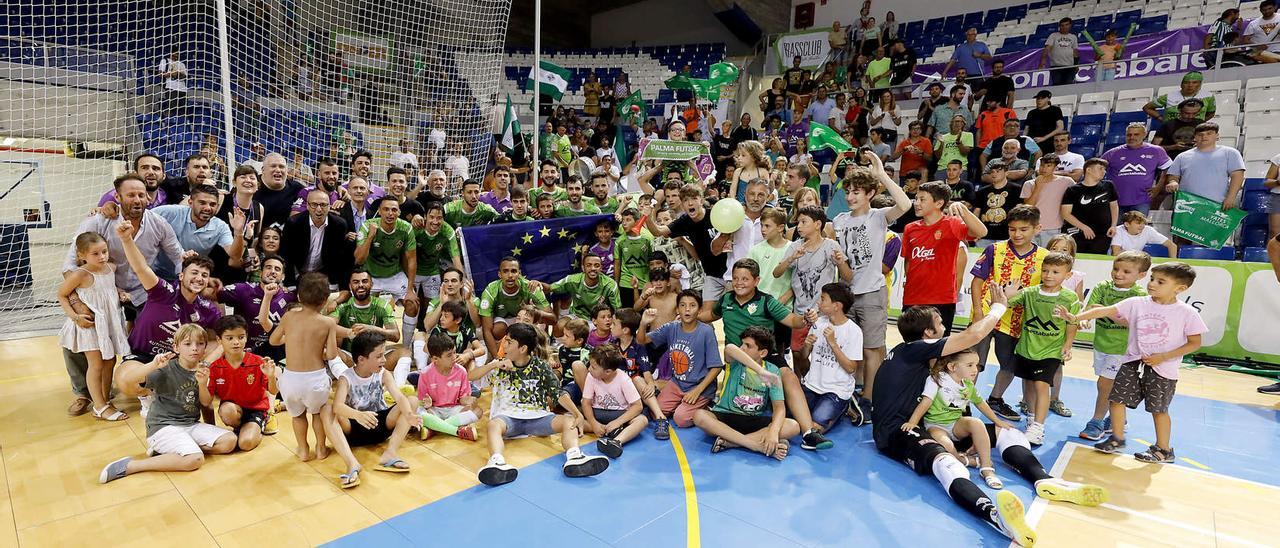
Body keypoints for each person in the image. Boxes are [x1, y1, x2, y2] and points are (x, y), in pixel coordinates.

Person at [872, 301, 1108, 547]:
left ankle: (1044, 479)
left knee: (1007, 431)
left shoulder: (917, 357)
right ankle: (995, 516)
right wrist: (999, 306)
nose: (945, 328)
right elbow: (973, 335)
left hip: (935, 424)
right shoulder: (913, 350)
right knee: (943, 461)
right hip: (897, 432)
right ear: (928, 334)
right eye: (940, 324)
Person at [1057, 262, 1207, 463]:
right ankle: (1117, 438)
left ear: (1180, 288)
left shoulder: (1187, 313)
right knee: (1116, 399)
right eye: (1152, 279)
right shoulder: (1137, 302)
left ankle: (1164, 449)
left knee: (1158, 409)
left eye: (1160, 282)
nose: (1152, 284)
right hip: (1132, 362)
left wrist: (1163, 357)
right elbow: (1104, 311)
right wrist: (1075, 316)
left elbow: (1194, 343)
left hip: (1162, 369)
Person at [99, 325, 237, 484]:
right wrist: (152, 365)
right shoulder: (166, 368)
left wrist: (202, 385)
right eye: (187, 344)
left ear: (205, 347)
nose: (194, 349)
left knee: (229, 441)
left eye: (200, 344)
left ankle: (170, 453)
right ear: (176, 347)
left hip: (189, 424)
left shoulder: (205, 370)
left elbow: (206, 403)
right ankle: (131, 465)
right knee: (195, 460)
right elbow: (129, 380)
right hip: (163, 426)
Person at [475, 322, 610, 486]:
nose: (504, 344)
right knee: (493, 425)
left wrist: (577, 413)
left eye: (509, 342)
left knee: (568, 421)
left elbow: (557, 393)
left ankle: (575, 456)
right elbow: (471, 376)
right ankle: (497, 461)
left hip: (538, 419)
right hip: (509, 420)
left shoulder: (540, 367)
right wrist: (494, 364)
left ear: (523, 348)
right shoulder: (500, 366)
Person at [111, 219, 222, 414]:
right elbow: (141, 268)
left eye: (204, 275)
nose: (199, 278)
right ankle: (148, 396)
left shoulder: (207, 308)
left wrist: (206, 363)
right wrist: (126, 239)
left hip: (178, 360)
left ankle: (177, 387)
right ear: (181, 276)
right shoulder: (163, 291)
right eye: (194, 272)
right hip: (143, 356)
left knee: (217, 344)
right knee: (125, 381)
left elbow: (225, 338)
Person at [827, 153, 912, 409]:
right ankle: (848, 390)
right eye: (848, 191)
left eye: (857, 192)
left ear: (870, 194)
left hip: (872, 293)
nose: (851, 197)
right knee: (848, 346)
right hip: (846, 294)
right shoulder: (839, 221)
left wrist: (881, 175)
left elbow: (905, 204)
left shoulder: (878, 217)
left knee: (872, 349)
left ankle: (869, 398)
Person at [271, 272, 362, 485]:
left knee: (297, 416)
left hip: (290, 379)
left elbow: (275, 341)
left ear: (299, 298)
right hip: (314, 379)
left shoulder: (289, 317)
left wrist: (292, 338)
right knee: (318, 414)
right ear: (325, 300)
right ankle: (321, 448)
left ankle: (303, 449)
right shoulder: (327, 323)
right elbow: (331, 355)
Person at [970, 205, 1047, 421]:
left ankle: (995, 399)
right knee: (972, 363)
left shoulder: (1044, 258)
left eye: (1023, 229)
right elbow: (977, 282)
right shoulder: (994, 250)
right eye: (1012, 229)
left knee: (1010, 366)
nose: (1017, 234)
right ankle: (962, 403)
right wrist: (977, 312)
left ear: (1037, 229)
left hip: (1015, 322)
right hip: (985, 316)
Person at [901, 348, 1013, 488]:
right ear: (952, 367)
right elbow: (926, 402)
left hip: (955, 424)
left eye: (976, 365)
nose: (975, 369)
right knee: (946, 443)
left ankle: (986, 468)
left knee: (977, 423)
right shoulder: (937, 379)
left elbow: (980, 403)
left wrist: (997, 421)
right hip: (935, 425)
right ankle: (962, 461)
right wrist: (912, 422)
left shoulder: (968, 384)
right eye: (970, 365)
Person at [1004, 252, 1080, 445]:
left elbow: (1073, 323)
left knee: (1041, 385)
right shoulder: (1030, 292)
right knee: (1029, 384)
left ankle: (1038, 427)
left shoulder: (1069, 297)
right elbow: (1007, 303)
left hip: (1050, 352)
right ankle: (1031, 417)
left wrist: (1068, 344)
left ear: (1068, 275)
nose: (1049, 275)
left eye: (1055, 272)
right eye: (1045, 270)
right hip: (1026, 348)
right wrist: (1007, 295)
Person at [693, 327, 801, 459]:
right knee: (699, 416)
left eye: (748, 346)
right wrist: (760, 371)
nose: (742, 348)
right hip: (726, 415)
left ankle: (732, 443)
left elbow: (779, 408)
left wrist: (773, 432)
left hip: (752, 419)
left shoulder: (772, 370)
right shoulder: (735, 362)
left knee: (793, 426)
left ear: (762, 353)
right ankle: (756, 445)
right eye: (742, 343)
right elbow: (730, 348)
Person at [1077, 251, 1150, 440]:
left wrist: (1106, 313)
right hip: (1102, 344)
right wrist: (1085, 320)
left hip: (1123, 349)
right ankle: (1119, 418)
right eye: (1116, 269)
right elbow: (1091, 309)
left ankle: (1096, 422)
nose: (1118, 274)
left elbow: (1133, 321)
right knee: (1110, 384)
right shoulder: (1102, 287)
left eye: (1126, 271)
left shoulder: (1139, 295)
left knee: (1104, 384)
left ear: (1141, 276)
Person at [59, 232, 130, 421]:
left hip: (109, 323)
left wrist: (120, 292)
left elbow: (106, 291)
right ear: (82, 256)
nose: (102, 257)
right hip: (89, 325)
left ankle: (105, 400)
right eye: (95, 254)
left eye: (104, 251)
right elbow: (62, 294)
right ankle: (98, 406)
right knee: (96, 363)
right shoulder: (80, 274)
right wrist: (75, 317)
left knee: (110, 361)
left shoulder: (111, 269)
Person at [902, 181, 988, 335]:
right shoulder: (910, 228)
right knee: (912, 346)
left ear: (939, 203)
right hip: (912, 298)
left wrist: (963, 210)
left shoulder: (953, 224)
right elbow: (908, 261)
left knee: (938, 347)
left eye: (922, 199)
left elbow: (981, 232)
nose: (916, 203)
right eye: (916, 199)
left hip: (942, 299)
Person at [333, 331, 419, 474]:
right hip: (355, 426)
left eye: (384, 355)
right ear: (361, 359)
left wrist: (409, 414)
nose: (384, 360)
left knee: (412, 400)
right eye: (379, 356)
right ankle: (351, 461)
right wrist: (358, 415)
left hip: (381, 424)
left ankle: (390, 453)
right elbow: (337, 406)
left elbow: (399, 397)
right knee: (328, 410)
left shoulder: (383, 373)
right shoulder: (346, 378)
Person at [638, 290, 723, 430]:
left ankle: (705, 408)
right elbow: (642, 340)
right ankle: (683, 404)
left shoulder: (706, 331)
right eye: (683, 305)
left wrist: (697, 391)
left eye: (692, 305)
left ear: (700, 309)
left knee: (681, 419)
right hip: (677, 383)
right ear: (677, 309)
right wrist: (643, 323)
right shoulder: (671, 327)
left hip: (699, 385)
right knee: (656, 410)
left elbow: (716, 367)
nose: (687, 309)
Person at [644, 184, 728, 316]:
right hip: (711, 274)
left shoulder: (715, 215)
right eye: (685, 200)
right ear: (682, 204)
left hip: (729, 272)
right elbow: (658, 231)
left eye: (693, 198)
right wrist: (648, 217)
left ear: (701, 199)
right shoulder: (684, 221)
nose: (689, 203)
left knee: (733, 312)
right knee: (705, 315)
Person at [800, 283, 864, 436]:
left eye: (823, 299)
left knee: (814, 428)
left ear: (836, 306)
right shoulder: (819, 323)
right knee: (793, 416)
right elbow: (803, 357)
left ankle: (844, 406)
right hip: (812, 385)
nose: (818, 303)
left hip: (835, 390)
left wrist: (833, 344)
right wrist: (807, 346)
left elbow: (851, 368)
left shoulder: (853, 331)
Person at [206, 315, 277, 451]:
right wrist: (202, 383)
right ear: (219, 340)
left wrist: (271, 376)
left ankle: (261, 422)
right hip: (233, 409)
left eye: (241, 337)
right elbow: (206, 401)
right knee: (227, 410)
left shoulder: (258, 362)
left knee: (245, 444)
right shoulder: (215, 367)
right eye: (230, 338)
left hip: (256, 410)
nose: (236, 342)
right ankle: (240, 428)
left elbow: (273, 391)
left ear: (246, 337)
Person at [356, 197, 419, 346]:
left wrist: (410, 289)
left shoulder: (406, 228)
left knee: (412, 303)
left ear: (399, 212)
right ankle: (368, 348)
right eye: (386, 209)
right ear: (379, 212)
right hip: (370, 276)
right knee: (365, 309)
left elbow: (411, 260)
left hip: (394, 275)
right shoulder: (367, 226)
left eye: (394, 210)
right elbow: (359, 259)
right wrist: (371, 236)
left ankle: (406, 347)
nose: (390, 213)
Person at [152, 185, 247, 277]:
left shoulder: (221, 227)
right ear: (190, 202)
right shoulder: (171, 212)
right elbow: (144, 218)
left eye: (212, 204)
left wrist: (238, 232)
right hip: (154, 273)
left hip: (186, 278)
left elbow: (234, 256)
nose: (208, 208)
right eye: (202, 203)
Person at [1159, 122, 1246, 213]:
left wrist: (1231, 198)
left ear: (1217, 136)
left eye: (1209, 133)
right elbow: (1173, 175)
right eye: (1200, 135)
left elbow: (1237, 176)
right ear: (1195, 137)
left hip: (1217, 204)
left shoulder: (1230, 153)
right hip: (1187, 206)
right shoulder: (1182, 156)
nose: (1204, 137)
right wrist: (1173, 182)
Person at [581, 344, 650, 459]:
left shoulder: (623, 379)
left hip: (619, 414)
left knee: (642, 420)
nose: (589, 369)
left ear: (607, 371)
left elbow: (637, 406)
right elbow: (586, 402)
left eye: (593, 367)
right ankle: (610, 431)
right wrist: (593, 423)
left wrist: (617, 422)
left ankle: (617, 441)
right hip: (598, 412)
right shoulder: (591, 376)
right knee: (572, 419)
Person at [478, 257, 554, 356]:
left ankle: (540, 354)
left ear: (519, 273)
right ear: (499, 274)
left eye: (514, 271)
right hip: (502, 321)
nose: (510, 275)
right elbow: (486, 330)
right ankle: (501, 354)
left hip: (522, 319)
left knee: (539, 323)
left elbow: (553, 319)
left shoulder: (530, 287)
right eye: (505, 271)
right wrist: (497, 358)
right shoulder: (490, 291)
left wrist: (538, 313)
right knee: (497, 329)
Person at [415, 331, 482, 441]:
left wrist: (468, 400)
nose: (454, 357)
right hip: (434, 410)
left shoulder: (461, 371)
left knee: (478, 411)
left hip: (454, 410)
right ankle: (456, 431)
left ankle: (435, 428)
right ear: (435, 359)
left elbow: (463, 400)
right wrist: (427, 404)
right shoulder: (425, 374)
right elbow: (422, 402)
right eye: (449, 355)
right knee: (419, 412)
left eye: (455, 353)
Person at [1101, 122, 1173, 215]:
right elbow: (1095, 167)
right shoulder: (1113, 153)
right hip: (1115, 201)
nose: (1132, 137)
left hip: (1141, 200)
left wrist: (1158, 187)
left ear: (1144, 135)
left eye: (1136, 134)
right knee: (1115, 229)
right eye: (1129, 135)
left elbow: (1168, 168)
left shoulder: (1156, 151)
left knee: (1138, 228)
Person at [1061, 158, 1119, 254]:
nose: (1104, 171)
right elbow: (1065, 214)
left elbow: (1114, 206)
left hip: (1102, 234)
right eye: (1100, 168)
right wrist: (1084, 227)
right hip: (1078, 232)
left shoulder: (1109, 185)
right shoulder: (1073, 190)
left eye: (1104, 169)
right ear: (1088, 170)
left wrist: (1113, 225)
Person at [1021, 154, 1074, 246]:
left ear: (1055, 167)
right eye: (1042, 165)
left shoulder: (1067, 181)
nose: (1044, 169)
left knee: (1049, 257)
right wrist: (1038, 187)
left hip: (1053, 227)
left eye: (1048, 166)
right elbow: (1028, 206)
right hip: (1031, 226)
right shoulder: (1029, 184)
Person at [972, 162, 1025, 249]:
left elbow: (1019, 213)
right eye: (992, 172)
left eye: (997, 171)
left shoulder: (1016, 189)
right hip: (985, 236)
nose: (994, 174)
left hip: (1007, 236)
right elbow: (976, 212)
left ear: (1006, 173)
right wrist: (975, 231)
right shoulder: (982, 191)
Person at [255, 153, 307, 229]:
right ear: (263, 170)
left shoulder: (298, 189)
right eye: (273, 166)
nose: (278, 170)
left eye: (282, 167)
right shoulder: (252, 188)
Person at [1144, 72, 1215, 122]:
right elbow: (1147, 107)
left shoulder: (1209, 96)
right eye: (1186, 82)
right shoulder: (1169, 97)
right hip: (1170, 131)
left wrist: (1199, 123)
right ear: (1181, 84)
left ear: (1200, 85)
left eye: (1194, 82)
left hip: (1195, 132)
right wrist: (1160, 118)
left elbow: (1211, 113)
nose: (1190, 85)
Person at [1110, 211, 1177, 257]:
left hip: (1135, 260)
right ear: (1127, 224)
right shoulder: (1118, 230)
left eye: (1143, 223)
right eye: (1138, 223)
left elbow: (1172, 246)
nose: (1142, 226)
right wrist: (1138, 254)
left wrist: (1173, 264)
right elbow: (1115, 253)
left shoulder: (1147, 230)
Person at [1041, 18, 1080, 86]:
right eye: (1062, 25)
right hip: (1056, 66)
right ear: (1059, 26)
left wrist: (1076, 65)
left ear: (1070, 25)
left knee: (1068, 85)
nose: (1064, 27)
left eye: (1066, 25)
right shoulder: (1053, 35)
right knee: (1057, 85)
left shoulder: (1073, 37)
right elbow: (1047, 48)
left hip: (1070, 66)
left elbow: (1075, 52)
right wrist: (1043, 61)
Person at [157, 51, 188, 118]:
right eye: (174, 54)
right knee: (171, 107)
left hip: (182, 89)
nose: (176, 56)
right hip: (171, 87)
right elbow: (160, 73)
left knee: (181, 110)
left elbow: (184, 75)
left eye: (177, 54)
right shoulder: (165, 61)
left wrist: (177, 74)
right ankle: (166, 119)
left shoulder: (182, 64)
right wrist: (172, 74)